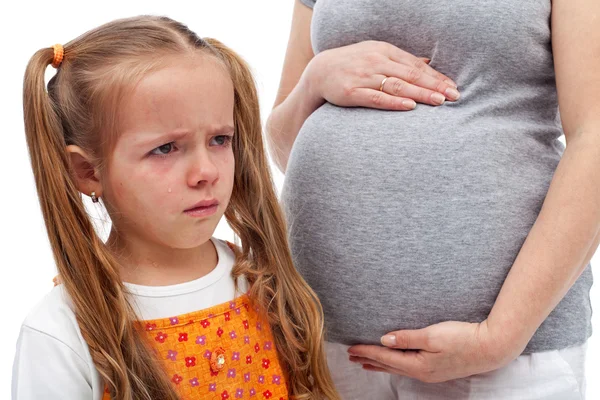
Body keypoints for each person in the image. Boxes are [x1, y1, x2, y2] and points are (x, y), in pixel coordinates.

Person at [266, 0, 598, 398]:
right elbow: (283, 148)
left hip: (502, 359)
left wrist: (497, 339)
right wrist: (313, 82)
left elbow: (594, 137)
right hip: (322, 344)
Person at [12, 15, 339, 400]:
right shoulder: (62, 332)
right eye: (165, 148)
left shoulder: (266, 285)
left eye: (220, 139)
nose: (205, 172)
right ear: (87, 172)